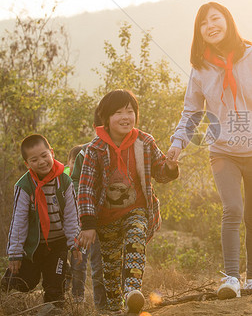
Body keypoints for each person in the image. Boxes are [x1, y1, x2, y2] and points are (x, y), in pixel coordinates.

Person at [167, 2, 252, 299]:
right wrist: (177, 143)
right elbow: (191, 112)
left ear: (228, 21)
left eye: (215, 19)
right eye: (203, 23)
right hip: (223, 151)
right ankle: (232, 278)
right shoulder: (200, 69)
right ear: (199, 32)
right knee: (232, 209)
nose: (210, 25)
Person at [76, 89, 179, 314]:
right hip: (105, 219)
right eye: (118, 113)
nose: (125, 117)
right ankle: (116, 307)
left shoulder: (144, 141)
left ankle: (132, 291)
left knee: (135, 240)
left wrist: (170, 166)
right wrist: (88, 224)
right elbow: (85, 188)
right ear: (106, 119)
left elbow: (160, 172)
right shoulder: (94, 149)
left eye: (130, 111)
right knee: (111, 270)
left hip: (137, 209)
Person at [1, 134, 82, 308]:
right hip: (33, 246)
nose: (42, 162)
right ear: (27, 164)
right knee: (26, 283)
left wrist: (74, 243)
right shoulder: (24, 186)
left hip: (57, 244)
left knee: (55, 290)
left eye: (45, 156)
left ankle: (53, 305)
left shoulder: (64, 181)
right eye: (35, 159)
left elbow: (71, 216)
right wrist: (15, 253)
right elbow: (19, 220)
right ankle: (9, 280)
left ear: (52, 153)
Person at [67, 144, 107, 308]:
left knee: (98, 265)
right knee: (78, 264)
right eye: (74, 163)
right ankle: (76, 298)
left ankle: (102, 304)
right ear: (70, 162)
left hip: (94, 226)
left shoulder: (92, 179)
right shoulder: (65, 180)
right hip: (76, 231)